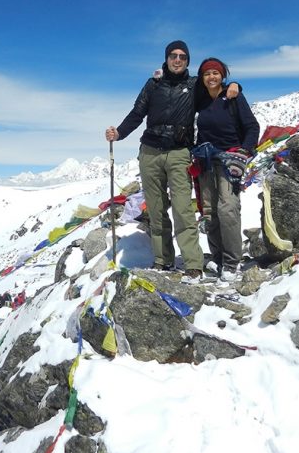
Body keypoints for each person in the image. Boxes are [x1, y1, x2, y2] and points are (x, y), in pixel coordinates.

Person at [105, 41, 239, 284]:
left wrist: (235, 86)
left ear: (187, 61)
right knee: (156, 210)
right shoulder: (153, 84)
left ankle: (193, 265)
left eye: (183, 57)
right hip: (149, 152)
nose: (177, 60)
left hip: (179, 152)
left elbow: (214, 88)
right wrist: (120, 133)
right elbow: (137, 113)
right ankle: (163, 260)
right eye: (173, 56)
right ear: (166, 59)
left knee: (182, 209)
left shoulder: (194, 85)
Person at [192, 58, 260, 283]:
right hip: (205, 160)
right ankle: (219, 258)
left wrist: (245, 151)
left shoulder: (233, 97)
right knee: (210, 211)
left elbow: (252, 126)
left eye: (215, 73)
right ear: (202, 78)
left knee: (228, 208)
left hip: (229, 160)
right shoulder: (200, 100)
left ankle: (232, 262)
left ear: (222, 76)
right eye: (207, 74)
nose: (211, 77)